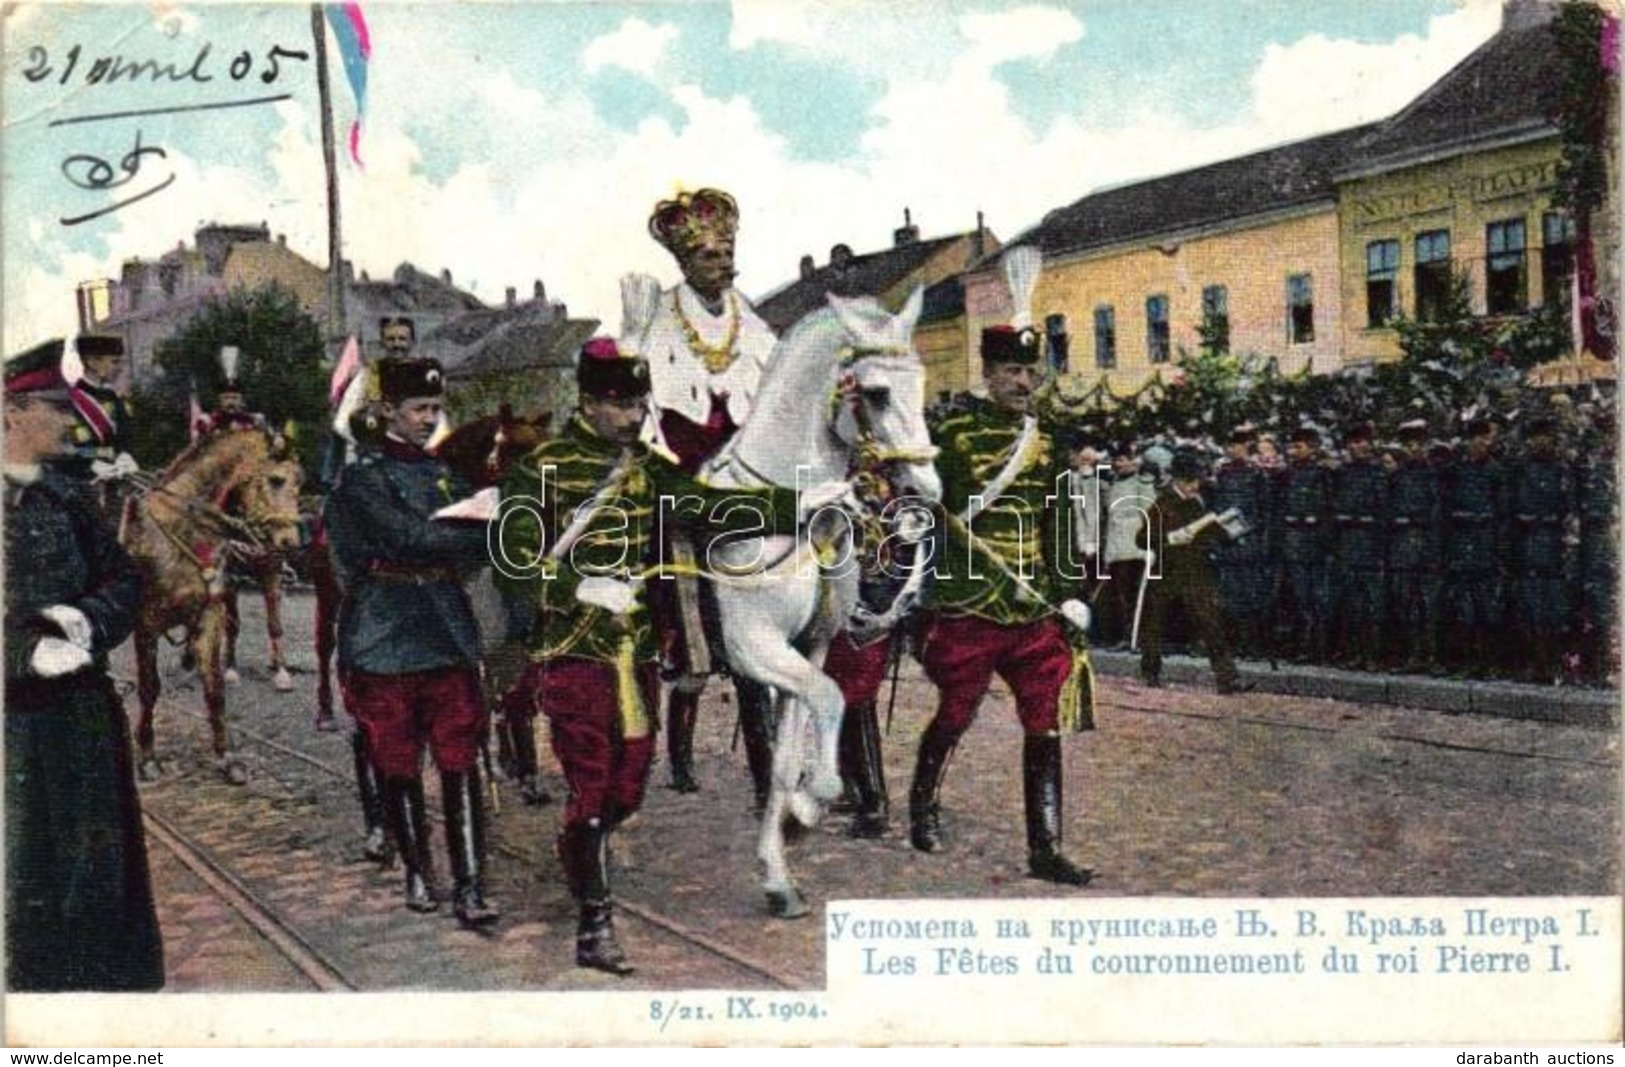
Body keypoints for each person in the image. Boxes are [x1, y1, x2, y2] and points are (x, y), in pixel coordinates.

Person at [908, 324, 1094, 886]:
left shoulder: (1046, 439)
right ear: (987, 373)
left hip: (1032, 603)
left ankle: (1047, 847)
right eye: (1012, 372)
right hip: (972, 598)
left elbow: (1057, 518)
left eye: (1030, 372)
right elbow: (931, 509)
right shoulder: (954, 430)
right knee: (957, 712)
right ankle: (923, 805)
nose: (1023, 382)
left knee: (1044, 720)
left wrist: (1068, 590)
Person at [4, 339, 163, 991]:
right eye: (53, 407)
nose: (70, 420)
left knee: (94, 877)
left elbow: (126, 577)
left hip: (81, 714)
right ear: (11, 413)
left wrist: (88, 619)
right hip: (12, 723)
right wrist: (24, 653)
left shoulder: (67, 496)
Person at [497, 338, 660, 975]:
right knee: (591, 782)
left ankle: (577, 847)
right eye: (621, 405)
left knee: (630, 785)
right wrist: (575, 587)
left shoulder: (647, 466)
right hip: (573, 651)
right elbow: (513, 559)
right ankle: (595, 926)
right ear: (588, 403)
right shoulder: (541, 468)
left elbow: (707, 507)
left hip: (635, 653)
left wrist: (806, 503)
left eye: (639, 404)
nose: (634, 417)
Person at [322, 356, 500, 928]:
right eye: (418, 409)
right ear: (386, 413)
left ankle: (470, 883)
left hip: (446, 628)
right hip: (385, 634)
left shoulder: (447, 476)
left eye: (434, 409)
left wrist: (467, 532)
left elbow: (475, 544)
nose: (429, 419)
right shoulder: (361, 481)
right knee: (396, 761)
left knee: (460, 757)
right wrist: (467, 530)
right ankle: (418, 869)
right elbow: (405, 538)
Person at [639, 187, 779, 801]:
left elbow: (774, 389)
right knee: (686, 608)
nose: (722, 266)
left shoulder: (751, 319)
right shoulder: (662, 320)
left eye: (727, 255)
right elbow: (650, 403)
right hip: (686, 476)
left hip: (744, 479)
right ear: (685, 263)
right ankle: (680, 740)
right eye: (708, 258)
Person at [1138, 449, 1252, 694]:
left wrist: (1230, 534)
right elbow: (1142, 538)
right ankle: (1150, 671)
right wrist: (1171, 538)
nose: (1194, 485)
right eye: (1189, 481)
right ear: (1177, 479)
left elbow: (1208, 531)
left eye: (1196, 480)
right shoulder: (1163, 503)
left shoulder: (1197, 501)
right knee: (1156, 622)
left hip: (1195, 571)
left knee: (1210, 622)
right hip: (1167, 570)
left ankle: (1227, 678)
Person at [1506, 418, 1574, 683]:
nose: (1540, 441)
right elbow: (1509, 507)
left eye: (1546, 436)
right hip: (1527, 543)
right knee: (1530, 609)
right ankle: (1534, 662)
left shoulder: (1562, 469)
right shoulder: (1520, 470)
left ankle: (1555, 664)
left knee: (1555, 610)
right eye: (1535, 437)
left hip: (1554, 544)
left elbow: (1571, 505)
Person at [1209, 425, 1272, 658]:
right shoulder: (1222, 474)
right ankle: (1232, 644)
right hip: (1225, 543)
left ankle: (1252, 644)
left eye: (1237, 445)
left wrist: (1244, 531)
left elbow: (1262, 511)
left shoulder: (1257, 474)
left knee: (1250, 596)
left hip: (1248, 542)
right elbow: (1216, 506)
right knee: (1227, 597)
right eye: (1229, 445)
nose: (1232, 449)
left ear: (1247, 446)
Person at [1386, 419, 1444, 672]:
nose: (1414, 449)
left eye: (1419, 444)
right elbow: (1386, 510)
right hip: (1402, 548)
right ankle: (1412, 655)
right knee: (1406, 604)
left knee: (1431, 606)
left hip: (1430, 548)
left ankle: (1432, 657)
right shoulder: (1396, 477)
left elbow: (1441, 511)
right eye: (1409, 444)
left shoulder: (1437, 476)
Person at [1329, 422, 1388, 669]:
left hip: (1373, 547)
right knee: (1351, 604)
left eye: (1363, 441)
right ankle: (1354, 652)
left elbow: (1385, 510)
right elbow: (1332, 507)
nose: (1359, 446)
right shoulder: (1341, 474)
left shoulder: (1380, 473)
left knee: (1373, 605)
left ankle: (1373, 655)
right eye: (1354, 442)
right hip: (1348, 546)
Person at [1275, 427, 1332, 663]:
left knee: (1317, 600)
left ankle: (1318, 649)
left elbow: (1328, 510)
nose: (1294, 451)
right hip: (1293, 547)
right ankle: (1302, 647)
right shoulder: (1287, 474)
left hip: (1316, 547)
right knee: (1299, 600)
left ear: (1313, 448)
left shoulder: (1323, 474)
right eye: (1292, 446)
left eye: (1300, 446)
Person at [65, 334, 138, 487]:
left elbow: (126, 434)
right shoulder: (68, 401)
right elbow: (63, 449)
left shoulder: (113, 397)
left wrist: (125, 455)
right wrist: (92, 464)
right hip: (83, 485)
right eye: (114, 362)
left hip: (119, 478)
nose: (118, 368)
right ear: (92, 362)